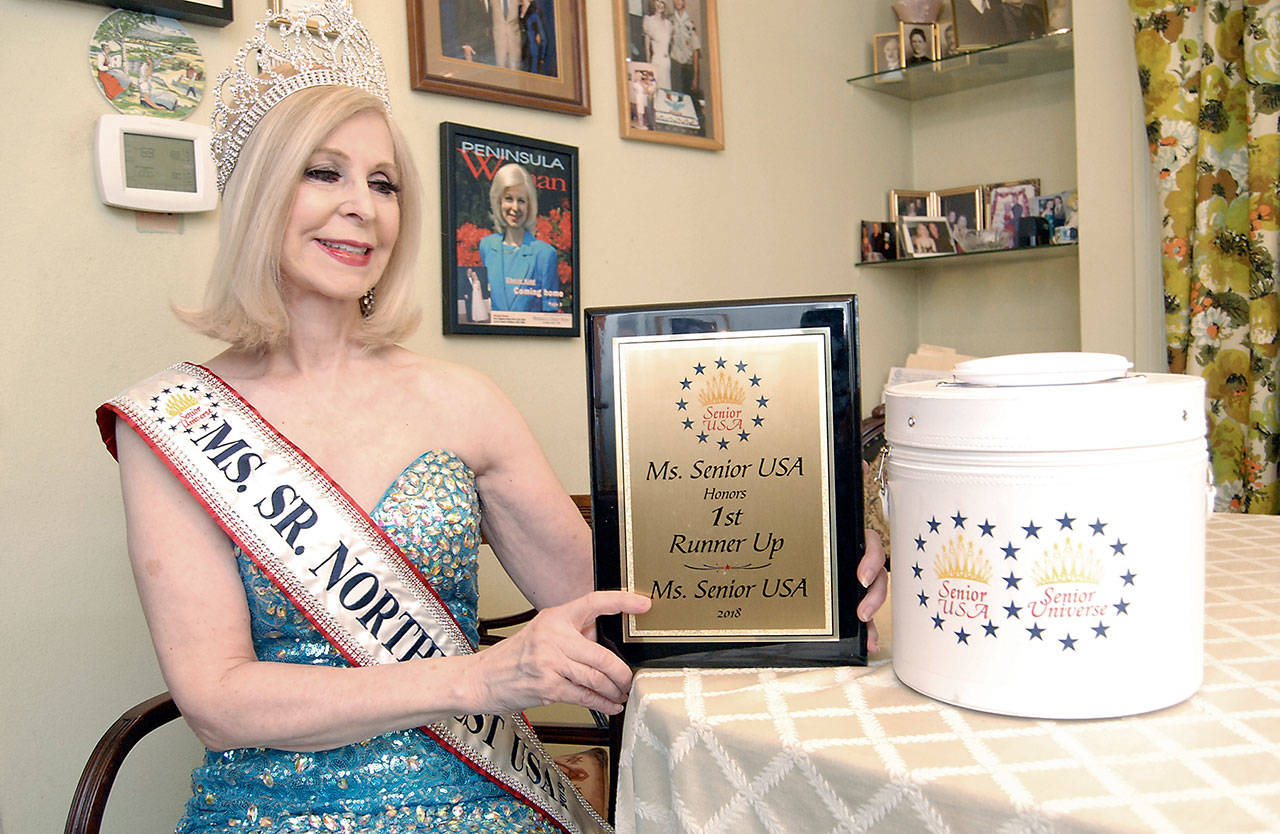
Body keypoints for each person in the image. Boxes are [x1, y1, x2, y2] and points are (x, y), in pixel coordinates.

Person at [95, 4, 889, 831]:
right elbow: (218, 700)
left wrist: (805, 575)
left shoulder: (462, 399)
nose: (362, 206)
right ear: (261, 194)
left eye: (383, 182)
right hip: (275, 813)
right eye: (323, 173)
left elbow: (614, 599)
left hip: (488, 799)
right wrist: (484, 678)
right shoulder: (171, 422)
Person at [477, 163, 561, 313]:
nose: (515, 208)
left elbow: (550, 313)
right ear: (499, 202)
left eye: (521, 200)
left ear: (530, 205)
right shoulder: (487, 246)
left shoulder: (545, 254)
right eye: (509, 198)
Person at [669, 0, 700, 99]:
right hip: (675, 65)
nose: (678, 2)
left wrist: (695, 76)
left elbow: (695, 50)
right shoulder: (669, 21)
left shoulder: (690, 23)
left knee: (688, 99)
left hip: (687, 67)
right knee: (675, 98)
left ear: (684, 2)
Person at [642, 0, 674, 91]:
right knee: (656, 91)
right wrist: (649, 66)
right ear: (654, 3)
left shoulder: (668, 24)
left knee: (667, 93)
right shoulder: (649, 21)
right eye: (658, 1)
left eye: (663, 2)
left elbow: (669, 45)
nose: (660, 5)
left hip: (667, 63)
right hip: (657, 62)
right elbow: (647, 48)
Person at [491, 0, 522, 69]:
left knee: (515, 74)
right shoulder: (493, 1)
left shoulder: (516, 1)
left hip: (514, 44)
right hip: (499, 43)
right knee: (500, 74)